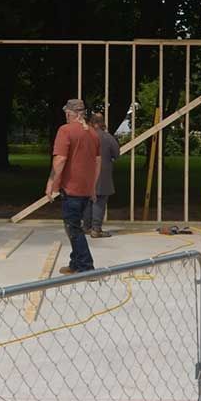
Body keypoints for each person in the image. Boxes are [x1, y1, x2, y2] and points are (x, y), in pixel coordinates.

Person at [46, 98, 102, 274]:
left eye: (67, 114)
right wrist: (93, 187)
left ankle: (86, 266)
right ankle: (75, 263)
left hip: (72, 190)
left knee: (73, 228)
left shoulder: (65, 131)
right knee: (74, 226)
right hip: (85, 190)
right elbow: (97, 163)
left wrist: (51, 183)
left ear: (72, 113)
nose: (66, 117)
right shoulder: (93, 133)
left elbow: (60, 159)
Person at [87, 110, 119, 238]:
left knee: (87, 200)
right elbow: (116, 154)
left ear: (91, 122)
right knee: (99, 201)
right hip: (102, 173)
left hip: (85, 173)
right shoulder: (108, 137)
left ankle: (86, 227)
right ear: (102, 123)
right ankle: (96, 229)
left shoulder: (85, 135)